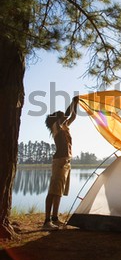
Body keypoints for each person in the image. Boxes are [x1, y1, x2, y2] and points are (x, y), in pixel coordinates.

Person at [43, 96, 79, 230]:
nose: (65, 116)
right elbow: (68, 114)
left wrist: (75, 104)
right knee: (53, 191)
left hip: (66, 161)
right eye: (62, 115)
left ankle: (55, 218)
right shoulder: (55, 127)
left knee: (59, 191)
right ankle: (46, 222)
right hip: (59, 161)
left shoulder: (64, 127)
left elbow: (73, 116)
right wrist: (73, 102)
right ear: (57, 118)